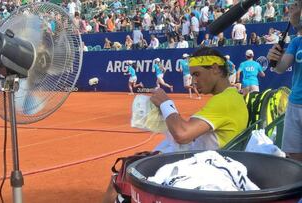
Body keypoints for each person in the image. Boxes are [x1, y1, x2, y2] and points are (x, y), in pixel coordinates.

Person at [102, 47, 249, 203]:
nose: (193, 81)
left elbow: (182, 134)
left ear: (214, 69)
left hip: (201, 170)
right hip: (204, 163)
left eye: (197, 74)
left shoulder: (225, 100)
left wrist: (166, 104)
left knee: (123, 173)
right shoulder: (230, 97)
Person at [267, 0, 302, 162]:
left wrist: (296, 25)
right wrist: (274, 59)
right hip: (294, 104)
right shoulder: (296, 42)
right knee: (294, 158)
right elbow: (280, 68)